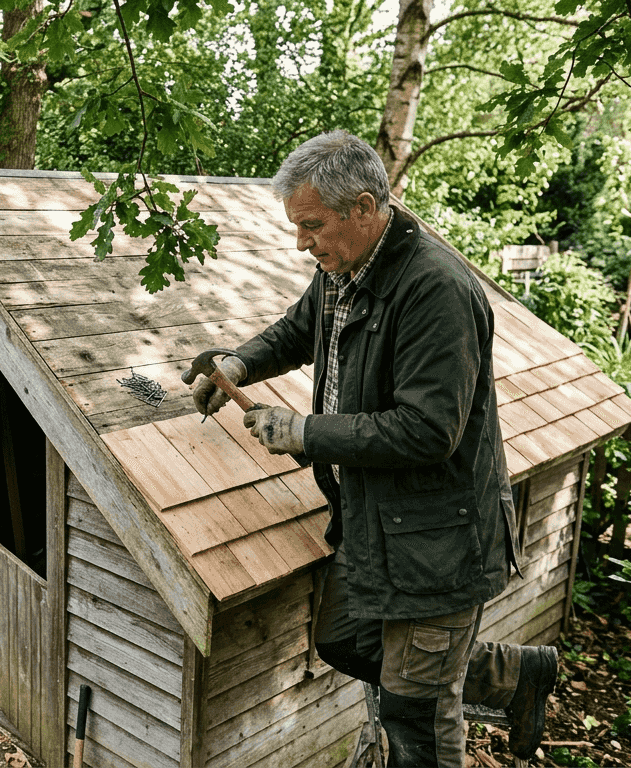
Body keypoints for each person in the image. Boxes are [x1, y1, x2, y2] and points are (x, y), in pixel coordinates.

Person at [190, 130, 558, 767]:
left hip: (435, 538)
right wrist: (240, 364)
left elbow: (428, 430)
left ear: (363, 208)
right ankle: (508, 674)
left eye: (313, 225)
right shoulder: (344, 268)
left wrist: (307, 433)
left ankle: (458, 689)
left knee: (414, 718)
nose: (302, 242)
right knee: (343, 638)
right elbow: (300, 329)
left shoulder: (434, 290)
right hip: (375, 522)